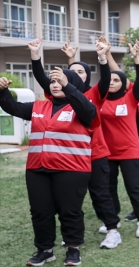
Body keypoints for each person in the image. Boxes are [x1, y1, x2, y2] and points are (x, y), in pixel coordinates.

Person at [31, 38, 123, 250]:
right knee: (68, 200)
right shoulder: (59, 94)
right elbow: (42, 77)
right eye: (71, 72)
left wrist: (102, 57)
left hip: (95, 154)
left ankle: (112, 230)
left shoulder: (92, 94)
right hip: (69, 158)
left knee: (101, 194)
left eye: (81, 72)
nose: (71, 77)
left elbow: (106, 77)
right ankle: (70, 236)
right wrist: (36, 57)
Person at [0, 67, 96, 266]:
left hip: (72, 169)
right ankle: (44, 250)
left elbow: (88, 112)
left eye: (60, 81)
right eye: (52, 82)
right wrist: (2, 91)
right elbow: (13, 108)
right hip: (38, 169)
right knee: (40, 211)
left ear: (72, 85)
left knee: (70, 211)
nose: (55, 84)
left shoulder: (83, 107)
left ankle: (73, 249)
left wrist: (66, 84)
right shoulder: (38, 107)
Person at [100, 41, 139, 239]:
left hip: (129, 150)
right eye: (109, 80)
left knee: (134, 187)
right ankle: (113, 220)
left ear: (123, 83)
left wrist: (137, 59)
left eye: (116, 80)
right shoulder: (100, 99)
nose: (112, 83)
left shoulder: (131, 98)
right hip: (107, 151)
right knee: (108, 188)